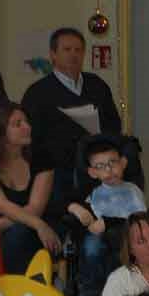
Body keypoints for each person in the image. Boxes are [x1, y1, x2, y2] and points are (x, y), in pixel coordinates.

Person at [19, 27, 122, 207]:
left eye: (78, 50)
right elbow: (32, 140)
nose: (73, 55)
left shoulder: (97, 85)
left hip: (98, 171)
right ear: (53, 54)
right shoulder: (38, 93)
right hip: (57, 177)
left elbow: (113, 124)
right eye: (67, 50)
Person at [65, 135, 147, 296]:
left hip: (125, 235)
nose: (109, 170)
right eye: (101, 166)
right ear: (92, 172)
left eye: (113, 163)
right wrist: (76, 208)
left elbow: (139, 218)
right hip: (98, 240)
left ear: (124, 163)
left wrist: (109, 222)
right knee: (91, 245)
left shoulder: (132, 191)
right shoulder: (93, 192)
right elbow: (69, 204)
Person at [0, 102, 61, 273]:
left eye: (26, 122)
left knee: (17, 233)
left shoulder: (41, 157)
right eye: (18, 124)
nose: (27, 127)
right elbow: (1, 204)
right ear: (0, 132)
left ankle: (17, 288)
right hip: (1, 236)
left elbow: (35, 209)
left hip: (36, 232)